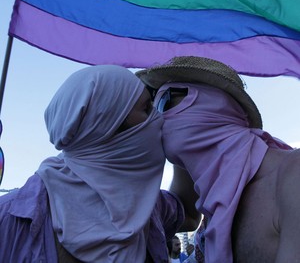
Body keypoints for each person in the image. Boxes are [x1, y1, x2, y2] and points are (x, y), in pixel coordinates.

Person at [0, 64, 199, 263]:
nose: (160, 120)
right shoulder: (9, 218)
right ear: (107, 127)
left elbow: (189, 215)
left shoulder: (146, 205)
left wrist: (182, 134)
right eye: (147, 109)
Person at [137, 56, 297, 263]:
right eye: (150, 108)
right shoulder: (215, 207)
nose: (154, 119)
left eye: (164, 101)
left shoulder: (291, 177)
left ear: (217, 104)